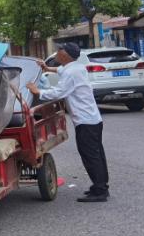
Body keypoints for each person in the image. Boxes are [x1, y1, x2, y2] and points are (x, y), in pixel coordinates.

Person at [26, 42, 109, 202]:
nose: (57, 51)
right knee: (97, 154)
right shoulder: (76, 67)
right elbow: (61, 70)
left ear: (66, 55)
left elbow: (59, 92)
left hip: (86, 121)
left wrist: (37, 91)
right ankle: (100, 186)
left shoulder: (72, 73)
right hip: (92, 120)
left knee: (91, 155)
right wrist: (47, 68)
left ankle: (100, 191)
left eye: (60, 50)